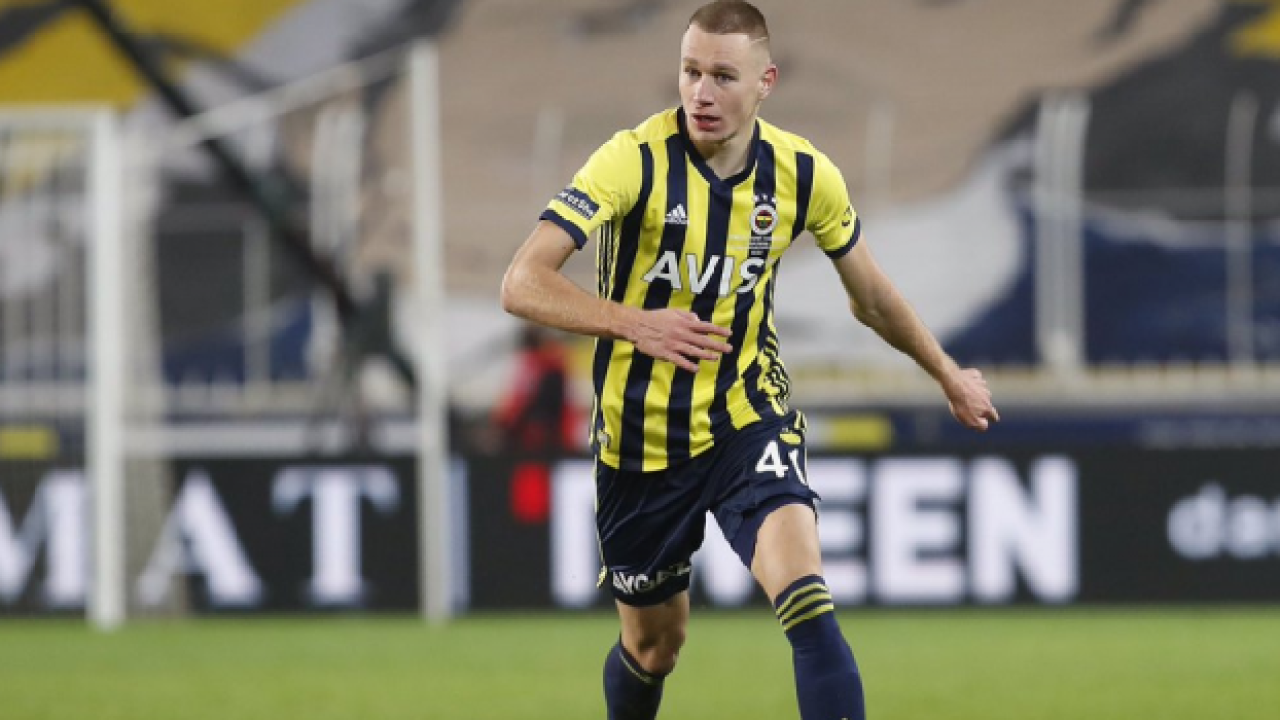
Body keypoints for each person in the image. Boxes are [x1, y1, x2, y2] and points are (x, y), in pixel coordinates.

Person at [501, 2, 999, 718]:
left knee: (807, 600)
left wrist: (947, 374)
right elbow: (521, 282)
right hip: (640, 442)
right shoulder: (632, 161)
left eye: (723, 77)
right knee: (654, 647)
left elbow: (870, 296)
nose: (701, 93)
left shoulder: (803, 173)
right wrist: (635, 324)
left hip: (746, 417)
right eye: (690, 72)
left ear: (765, 82)